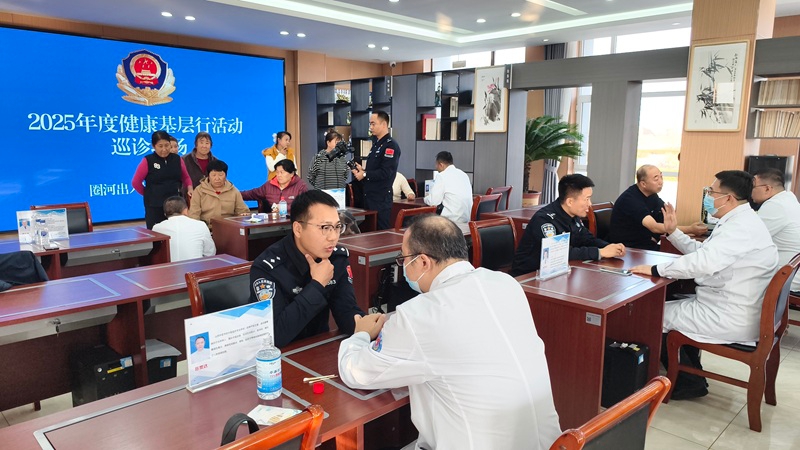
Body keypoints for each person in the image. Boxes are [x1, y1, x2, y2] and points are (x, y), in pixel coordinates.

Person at [338, 215, 561, 449]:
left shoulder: (420, 315)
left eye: (403, 259)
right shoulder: (506, 284)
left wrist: (361, 334)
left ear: (423, 262)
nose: (403, 267)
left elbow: (356, 371)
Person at [630, 170, 778, 399]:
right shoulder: (741, 220)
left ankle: (686, 382)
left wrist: (656, 270)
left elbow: (702, 263)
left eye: (711, 192)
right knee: (667, 307)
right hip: (733, 306)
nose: (707, 196)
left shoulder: (739, 228)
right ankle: (689, 374)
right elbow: (704, 253)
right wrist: (673, 232)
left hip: (728, 314)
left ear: (728, 198)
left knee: (651, 315)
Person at [249, 190, 364, 348]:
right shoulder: (267, 268)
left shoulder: (336, 258)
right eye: (325, 227)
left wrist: (363, 326)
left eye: (337, 227)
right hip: (279, 356)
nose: (333, 237)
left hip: (318, 349)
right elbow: (275, 336)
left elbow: (346, 310)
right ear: (298, 229)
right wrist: (317, 285)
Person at [510, 174, 625, 276]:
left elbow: (587, 239)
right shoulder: (544, 220)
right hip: (529, 277)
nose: (589, 204)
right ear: (570, 201)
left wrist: (610, 247)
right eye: (587, 199)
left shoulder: (573, 216)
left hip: (560, 272)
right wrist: (600, 252)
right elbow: (559, 253)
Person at [608, 165, 707, 250]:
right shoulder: (630, 199)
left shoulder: (652, 195)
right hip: (627, 248)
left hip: (644, 244)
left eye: (661, 177)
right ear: (643, 184)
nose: (661, 182)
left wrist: (657, 237)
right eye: (656, 179)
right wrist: (690, 229)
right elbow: (654, 227)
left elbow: (665, 219)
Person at [132, 130, 194, 229]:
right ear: (153, 146)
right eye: (160, 146)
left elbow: (186, 177)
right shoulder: (148, 161)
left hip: (175, 204)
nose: (164, 149)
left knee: (176, 231)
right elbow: (136, 182)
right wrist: (148, 194)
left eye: (167, 145)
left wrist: (190, 188)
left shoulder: (177, 159)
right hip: (155, 205)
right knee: (157, 233)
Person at [751, 168, 800, 292]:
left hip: (785, 278)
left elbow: (749, 238)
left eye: (752, 187)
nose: (750, 192)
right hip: (792, 272)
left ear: (767, 189)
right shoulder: (788, 199)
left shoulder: (776, 205)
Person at [351, 111, 400, 230]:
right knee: (369, 230)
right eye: (370, 124)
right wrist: (362, 170)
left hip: (381, 198)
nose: (371, 127)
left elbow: (386, 172)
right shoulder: (376, 144)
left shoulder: (390, 146)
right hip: (369, 197)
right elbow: (374, 170)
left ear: (384, 124)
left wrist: (365, 174)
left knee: (380, 232)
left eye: (373, 124)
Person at [188, 159, 250, 228]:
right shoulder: (199, 191)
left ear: (226, 175)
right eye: (213, 175)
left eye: (220, 175)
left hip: (229, 227)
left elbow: (242, 211)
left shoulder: (233, 191)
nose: (217, 178)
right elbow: (194, 214)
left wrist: (243, 214)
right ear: (208, 176)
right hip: (207, 228)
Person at [153, 196, 216, 261]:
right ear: (186, 210)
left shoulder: (157, 228)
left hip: (168, 267)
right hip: (196, 266)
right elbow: (210, 253)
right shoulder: (201, 225)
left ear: (165, 214)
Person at [241, 159, 309, 215]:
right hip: (274, 222)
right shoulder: (269, 185)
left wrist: (284, 208)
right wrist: (236, 194)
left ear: (292, 174)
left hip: (294, 221)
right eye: (277, 172)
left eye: (282, 172)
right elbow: (252, 194)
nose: (279, 175)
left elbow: (304, 206)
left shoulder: (300, 186)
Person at [423, 151, 472, 223]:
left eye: (436, 164)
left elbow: (433, 201)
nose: (436, 167)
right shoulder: (463, 174)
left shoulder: (442, 176)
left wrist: (425, 198)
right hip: (467, 220)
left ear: (441, 164)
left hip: (451, 221)